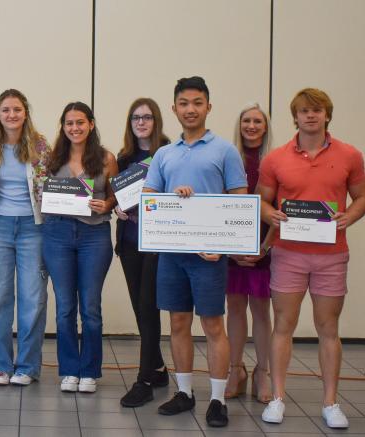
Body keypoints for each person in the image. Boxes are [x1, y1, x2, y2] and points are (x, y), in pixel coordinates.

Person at [259, 88, 365, 429]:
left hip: (331, 255)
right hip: (288, 253)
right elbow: (261, 202)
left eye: (317, 110)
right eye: (304, 111)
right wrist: (270, 215)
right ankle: (277, 398)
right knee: (283, 325)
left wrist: (350, 216)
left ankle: (330, 402)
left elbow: (363, 197)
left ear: (327, 115)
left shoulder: (350, 154)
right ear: (295, 116)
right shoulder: (275, 159)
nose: (310, 116)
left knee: (328, 328)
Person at [144, 76, 247, 428]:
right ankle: (184, 392)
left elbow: (239, 205)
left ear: (208, 106)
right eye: (184, 103)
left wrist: (222, 245)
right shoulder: (164, 154)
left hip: (209, 257)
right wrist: (172, 198)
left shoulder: (224, 151)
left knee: (213, 325)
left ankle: (218, 399)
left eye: (197, 102)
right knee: (177, 323)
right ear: (174, 109)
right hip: (172, 255)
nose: (191, 109)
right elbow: (149, 201)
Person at [42, 101, 117, 394]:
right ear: (63, 127)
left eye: (80, 122)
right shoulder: (50, 159)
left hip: (94, 235)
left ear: (91, 125)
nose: (75, 128)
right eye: (69, 123)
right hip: (57, 234)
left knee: (90, 307)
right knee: (64, 307)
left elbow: (116, 197)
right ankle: (69, 370)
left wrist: (107, 203)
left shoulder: (106, 158)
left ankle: (89, 371)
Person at [0, 89, 50, 386]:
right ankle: (1, 366)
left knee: (33, 298)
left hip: (34, 228)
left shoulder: (41, 144)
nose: (11, 115)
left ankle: (28, 366)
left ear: (25, 113)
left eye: (17, 110)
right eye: (5, 110)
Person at [115, 97, 172, 407]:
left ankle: (145, 381)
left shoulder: (169, 153)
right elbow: (116, 196)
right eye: (136, 117)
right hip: (128, 241)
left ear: (156, 120)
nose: (141, 122)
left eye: (147, 117)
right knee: (140, 307)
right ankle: (160, 369)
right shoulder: (124, 158)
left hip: (156, 242)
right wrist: (118, 210)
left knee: (149, 308)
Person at [224, 103, 273, 403]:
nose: (251, 126)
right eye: (246, 120)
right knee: (235, 308)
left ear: (265, 127)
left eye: (257, 121)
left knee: (261, 310)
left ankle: (263, 372)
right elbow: (218, 206)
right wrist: (230, 249)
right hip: (232, 249)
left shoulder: (276, 161)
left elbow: (281, 210)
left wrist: (264, 246)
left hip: (265, 247)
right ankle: (235, 370)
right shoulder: (228, 158)